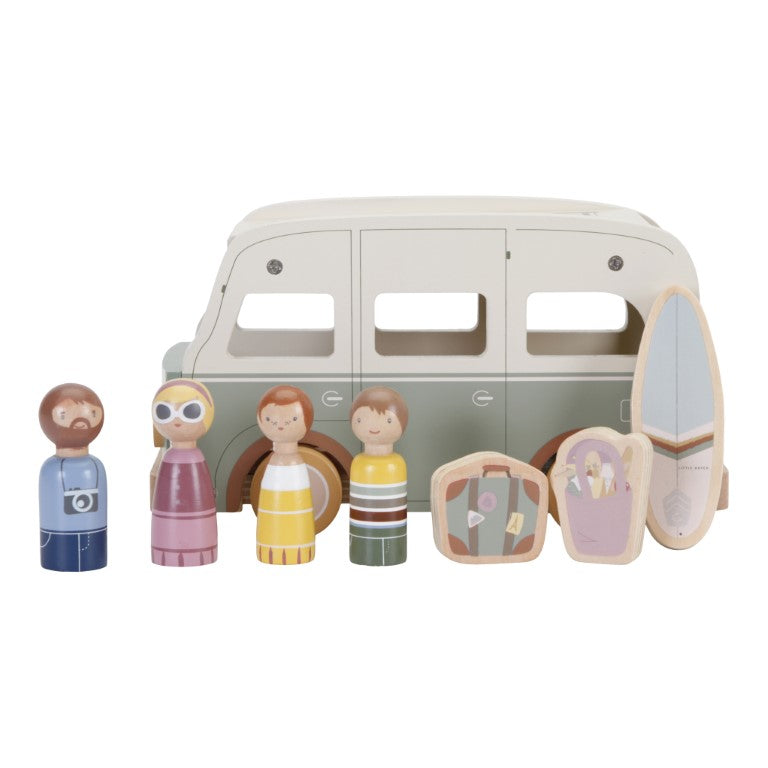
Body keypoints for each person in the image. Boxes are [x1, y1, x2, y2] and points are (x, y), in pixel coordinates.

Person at [39, 383, 107, 572]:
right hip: (56, 540)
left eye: (91, 414)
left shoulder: (95, 467)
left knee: (93, 549)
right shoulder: (51, 470)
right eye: (65, 415)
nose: (80, 421)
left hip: (94, 539)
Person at [151, 379, 218, 566]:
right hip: (166, 547)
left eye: (190, 411)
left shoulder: (194, 458)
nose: (177, 421)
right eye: (164, 412)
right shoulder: (171, 458)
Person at [255, 386, 315, 565]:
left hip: (299, 550)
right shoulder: (276, 463)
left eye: (293, 419)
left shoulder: (293, 464)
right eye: (269, 419)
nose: (280, 424)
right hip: (271, 549)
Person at [349, 387, 409, 566]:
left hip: (393, 535)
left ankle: (392, 555)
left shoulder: (396, 464)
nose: (374, 427)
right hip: (361, 534)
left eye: (388, 420)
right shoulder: (359, 463)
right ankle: (363, 554)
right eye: (362, 419)